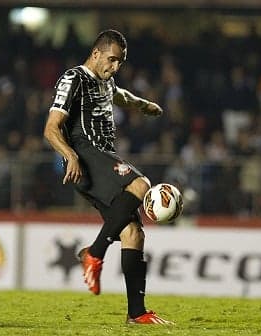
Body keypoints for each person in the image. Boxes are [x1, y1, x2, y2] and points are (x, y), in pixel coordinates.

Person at [44, 29, 172, 325]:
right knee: (141, 184)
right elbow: (51, 127)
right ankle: (94, 252)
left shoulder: (106, 81)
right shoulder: (73, 78)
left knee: (133, 234)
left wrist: (143, 104)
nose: (115, 67)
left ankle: (136, 313)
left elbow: (120, 95)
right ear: (96, 53)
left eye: (120, 63)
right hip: (85, 158)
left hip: (101, 160)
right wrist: (71, 155)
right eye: (112, 60)